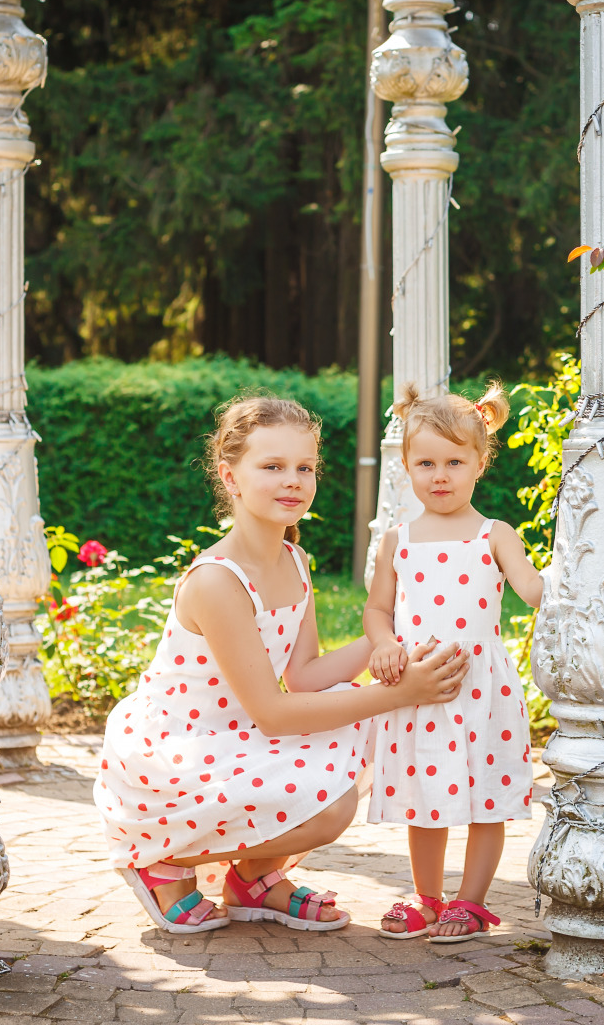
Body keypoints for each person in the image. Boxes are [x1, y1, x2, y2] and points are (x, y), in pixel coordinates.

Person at [94, 396, 471, 934]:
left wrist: (395, 631)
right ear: (231, 476)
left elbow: (306, 676)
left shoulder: (294, 560)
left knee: (368, 732)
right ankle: (161, 861)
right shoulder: (218, 581)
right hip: (181, 748)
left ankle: (252, 878)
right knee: (331, 803)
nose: (291, 480)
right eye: (271, 467)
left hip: (240, 732)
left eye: (304, 467)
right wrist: (401, 691)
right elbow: (274, 712)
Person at [364, 383, 544, 943]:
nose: (439, 475)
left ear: (479, 463)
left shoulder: (496, 534)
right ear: (407, 467)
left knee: (485, 798)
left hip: (479, 687)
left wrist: (570, 563)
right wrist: (384, 644)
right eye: (425, 463)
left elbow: (534, 591)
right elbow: (377, 608)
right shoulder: (400, 539)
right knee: (425, 801)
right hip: (421, 686)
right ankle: (426, 899)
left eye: (454, 462)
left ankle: (471, 901)